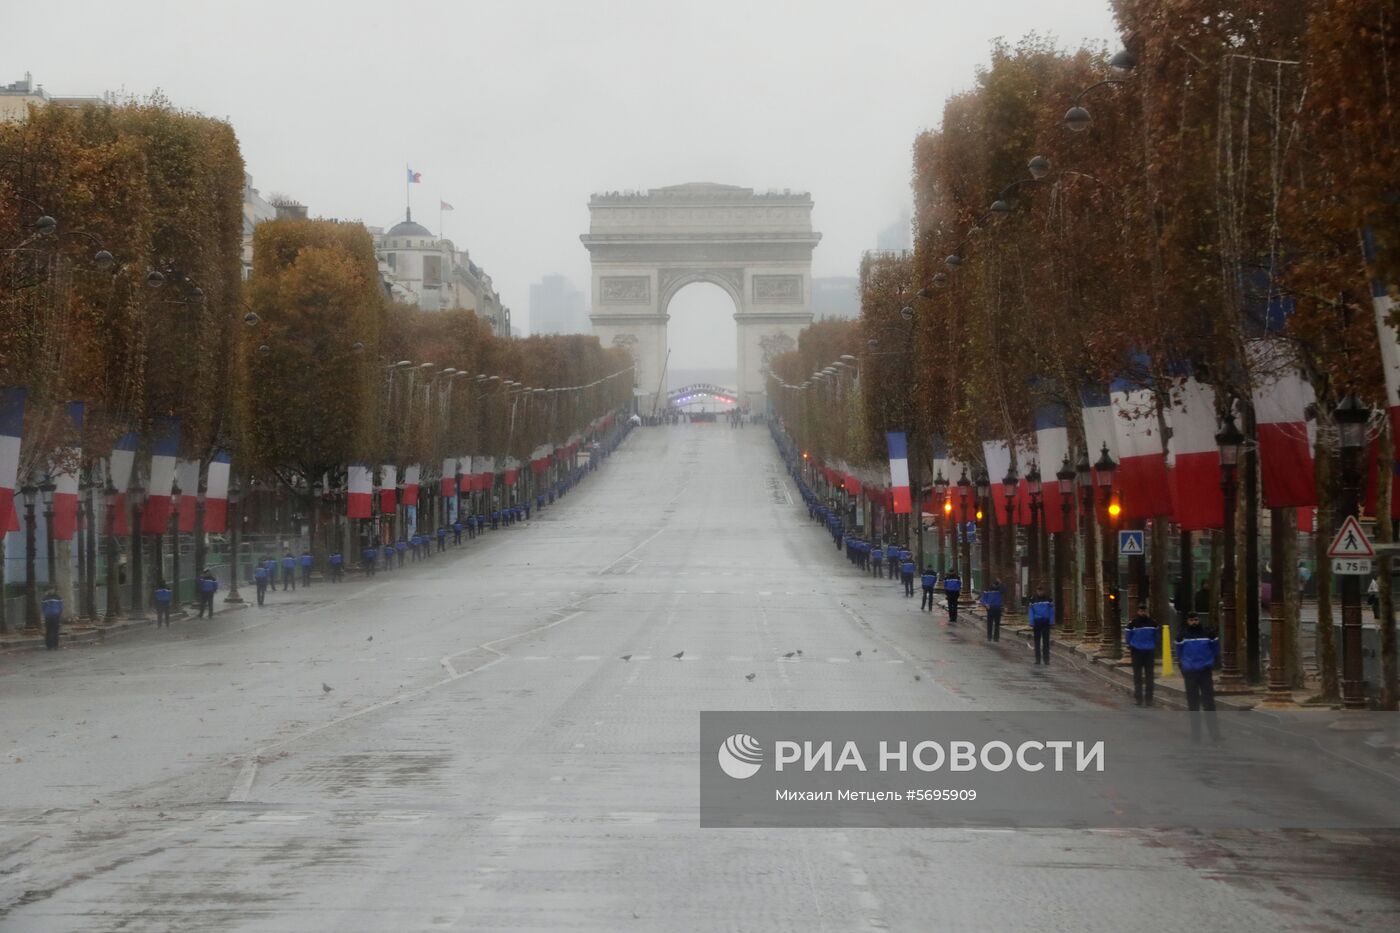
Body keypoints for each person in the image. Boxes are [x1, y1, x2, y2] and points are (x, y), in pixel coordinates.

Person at [1176, 611, 1221, 741]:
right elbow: (1179, 653)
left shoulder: (1208, 633)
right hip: (1190, 673)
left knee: (1209, 704)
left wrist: (1211, 662)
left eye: (1196, 620)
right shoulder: (1181, 636)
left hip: (1205, 672)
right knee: (1193, 705)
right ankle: (1196, 735)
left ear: (1199, 620)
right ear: (1187, 621)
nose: (1194, 623)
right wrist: (1184, 667)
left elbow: (1215, 648)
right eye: (1191, 620)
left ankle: (1215, 734)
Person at [1124, 604, 1159, 706]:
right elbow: (1128, 636)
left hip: (1148, 652)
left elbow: (1157, 636)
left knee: (1149, 676)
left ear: (1146, 611)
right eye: (1141, 611)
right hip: (1137, 652)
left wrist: (1152, 644)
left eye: (1144, 611)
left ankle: (1149, 699)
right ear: (1138, 612)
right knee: (1138, 676)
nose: (1142, 612)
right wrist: (1132, 645)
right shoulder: (1133, 624)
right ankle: (1139, 699)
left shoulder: (1153, 623)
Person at [1028, 590, 1054, 665]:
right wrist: (1031, 622)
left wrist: (1051, 621)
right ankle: (1038, 659)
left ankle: (1046, 659)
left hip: (1046, 622)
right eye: (1039, 591)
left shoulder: (1049, 599)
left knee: (1046, 641)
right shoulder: (1033, 600)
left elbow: (1051, 611)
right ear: (1037, 591)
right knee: (1037, 641)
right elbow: (1031, 611)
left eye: (1041, 590)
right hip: (1037, 622)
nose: (1040, 592)